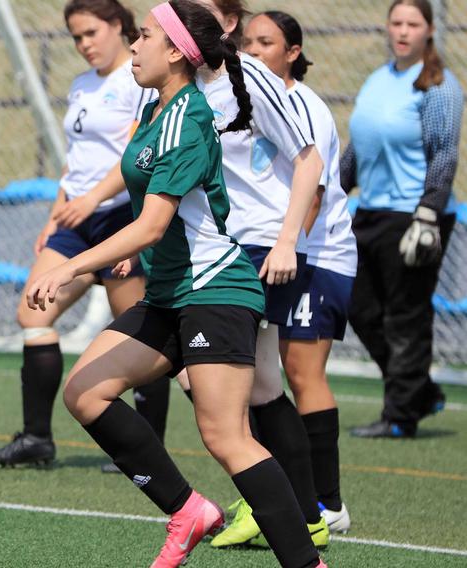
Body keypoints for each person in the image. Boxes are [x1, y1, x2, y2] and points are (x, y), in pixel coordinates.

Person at [27, 2, 325, 566]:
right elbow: (144, 198)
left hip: (215, 291)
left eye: (144, 36)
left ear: (176, 53)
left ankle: (308, 561)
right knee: (85, 394)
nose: (133, 47)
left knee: (226, 437)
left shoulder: (190, 118)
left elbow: (153, 223)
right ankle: (188, 511)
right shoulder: (158, 108)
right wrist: (103, 222)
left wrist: (71, 265)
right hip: (169, 291)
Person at [162, 0, 330, 550]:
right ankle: (298, 512)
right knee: (257, 385)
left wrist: (287, 242)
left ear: (225, 24)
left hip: (256, 247)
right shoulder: (179, 86)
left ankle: (292, 512)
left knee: (231, 383)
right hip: (209, 247)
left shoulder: (249, 76)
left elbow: (310, 159)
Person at [0, 0, 169, 470]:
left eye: (91, 33)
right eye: (76, 37)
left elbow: (136, 154)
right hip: (75, 221)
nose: (84, 44)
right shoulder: (81, 85)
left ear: (119, 27)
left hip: (123, 217)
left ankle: (145, 444)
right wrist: (56, 212)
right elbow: (77, 157)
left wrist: (93, 199)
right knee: (32, 314)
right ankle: (37, 439)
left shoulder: (138, 80)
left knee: (141, 334)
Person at [241, 8, 359, 535]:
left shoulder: (300, 103)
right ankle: (290, 494)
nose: (252, 50)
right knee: (266, 374)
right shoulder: (253, 100)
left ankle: (328, 504)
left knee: (301, 373)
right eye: (247, 41)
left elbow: (310, 189)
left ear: (292, 53)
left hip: (319, 254)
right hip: (287, 253)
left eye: (265, 42)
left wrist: (287, 246)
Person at [342, 0, 462, 440]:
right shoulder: (378, 79)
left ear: (429, 30)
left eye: (413, 23)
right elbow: (358, 147)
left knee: (405, 317)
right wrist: (332, 192)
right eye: (397, 22)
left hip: (414, 216)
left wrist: (429, 212)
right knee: (356, 307)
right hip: (371, 212)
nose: (404, 31)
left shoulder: (439, 85)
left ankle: (400, 416)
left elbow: (444, 154)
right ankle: (420, 392)